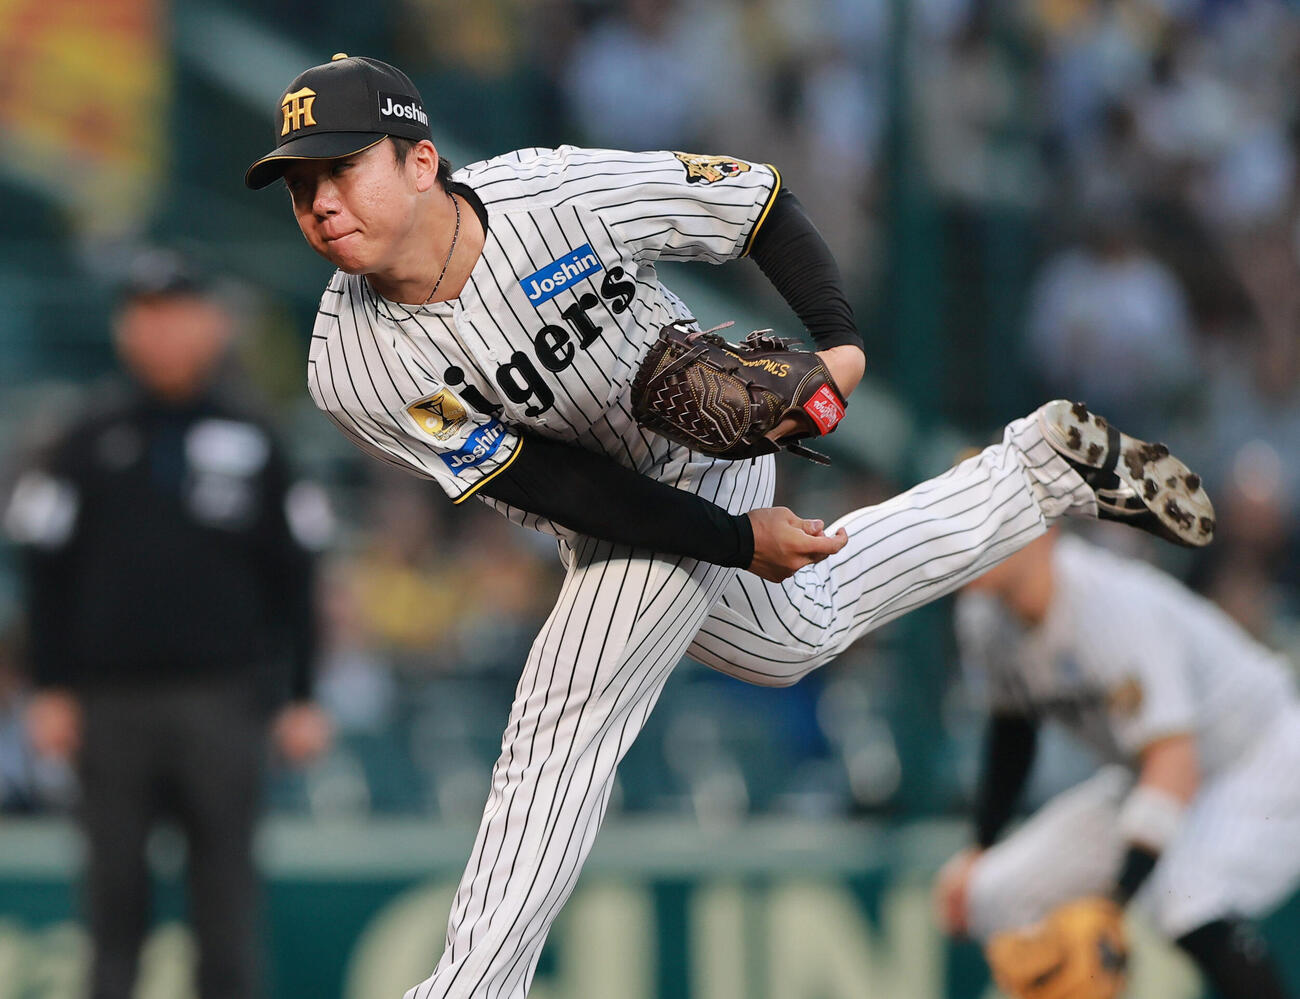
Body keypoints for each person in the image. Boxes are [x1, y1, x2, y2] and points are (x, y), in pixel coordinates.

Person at [243, 54, 1214, 999]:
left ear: (420, 161)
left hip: (703, 442)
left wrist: (838, 344)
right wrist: (738, 545)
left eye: (340, 169)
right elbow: (554, 486)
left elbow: (752, 199)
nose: (318, 202)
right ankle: (1038, 472)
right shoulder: (352, 368)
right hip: (608, 509)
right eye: (298, 188)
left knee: (562, 713)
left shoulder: (553, 197)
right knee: (797, 631)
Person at [4, 257, 334, 999]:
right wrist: (50, 687)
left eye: (177, 310)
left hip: (224, 701)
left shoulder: (258, 439)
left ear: (213, 324)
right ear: (124, 329)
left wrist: (305, 694)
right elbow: (43, 571)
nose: (160, 330)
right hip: (108, 705)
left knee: (227, 906)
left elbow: (300, 575)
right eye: (143, 313)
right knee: (111, 905)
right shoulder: (82, 440)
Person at [934, 528, 1300, 999]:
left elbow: (1176, 765)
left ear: (1043, 529)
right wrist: (979, 847)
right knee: (994, 893)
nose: (972, 539)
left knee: (1185, 896)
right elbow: (1013, 728)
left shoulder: (1107, 603)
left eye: (991, 520)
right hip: (1152, 769)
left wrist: (1112, 903)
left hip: (1259, 754)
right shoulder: (981, 612)